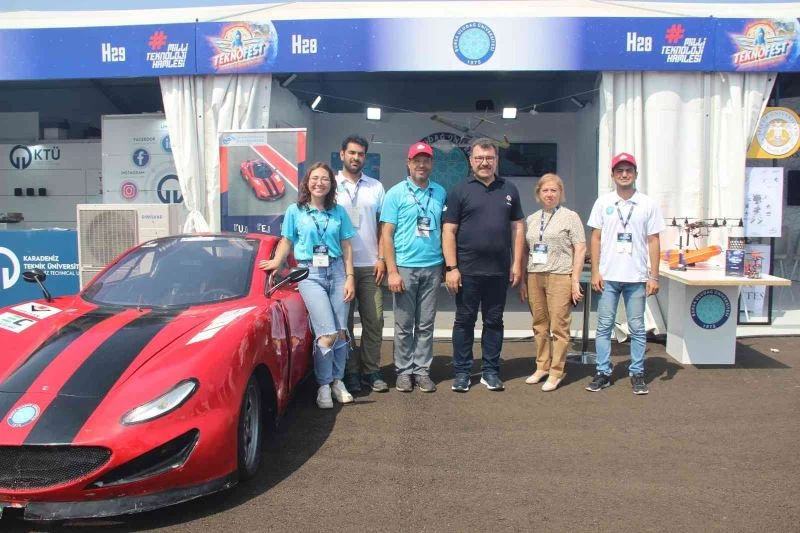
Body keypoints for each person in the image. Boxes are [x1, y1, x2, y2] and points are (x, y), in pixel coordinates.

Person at [260, 162, 357, 409]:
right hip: (309, 273)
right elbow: (287, 240)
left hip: (337, 271)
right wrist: (276, 261)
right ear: (307, 182)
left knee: (341, 331)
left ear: (331, 184)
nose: (319, 183)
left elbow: (346, 246)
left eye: (325, 179)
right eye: (315, 178)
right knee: (327, 333)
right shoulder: (296, 211)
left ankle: (338, 381)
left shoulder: (338, 212)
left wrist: (350, 277)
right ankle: (323, 385)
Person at [442, 138, 525, 393]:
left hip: (498, 271)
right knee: (464, 321)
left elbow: (518, 228)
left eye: (489, 158)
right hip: (467, 271)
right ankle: (462, 372)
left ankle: (490, 371)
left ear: (496, 160)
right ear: (471, 160)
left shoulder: (509, 189)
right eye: (479, 158)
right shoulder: (459, 190)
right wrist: (451, 268)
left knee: (494, 321)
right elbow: (448, 231)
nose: (484, 163)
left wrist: (517, 263)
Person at [586, 152, 664, 395]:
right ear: (612, 175)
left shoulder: (647, 204)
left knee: (637, 328)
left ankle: (637, 372)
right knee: (604, 326)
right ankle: (603, 372)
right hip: (608, 276)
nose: (624, 174)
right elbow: (596, 238)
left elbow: (654, 240)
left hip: (636, 277)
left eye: (628, 170)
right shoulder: (603, 202)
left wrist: (654, 276)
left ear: (636, 174)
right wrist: (595, 271)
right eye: (619, 170)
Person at [380, 142, 447, 393]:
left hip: (433, 266)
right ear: (408, 163)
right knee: (404, 325)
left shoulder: (440, 192)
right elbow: (387, 234)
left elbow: (445, 230)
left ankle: (421, 371)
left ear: (431, 164)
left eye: (426, 160)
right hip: (405, 268)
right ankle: (404, 371)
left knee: (426, 324)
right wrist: (392, 271)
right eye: (416, 160)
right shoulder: (395, 193)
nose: (421, 165)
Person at [519, 173, 586, 392]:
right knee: (539, 324)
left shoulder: (570, 217)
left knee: (559, 326)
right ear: (538, 193)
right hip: (535, 275)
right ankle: (542, 366)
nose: (549, 194)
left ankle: (556, 371)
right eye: (545, 190)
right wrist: (523, 281)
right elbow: (525, 250)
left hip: (560, 275)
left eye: (554, 190)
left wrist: (575, 280)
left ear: (560, 193)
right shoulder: (532, 219)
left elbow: (580, 248)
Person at [335, 135, 388, 394]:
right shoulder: (331, 184)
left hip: (370, 264)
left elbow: (384, 226)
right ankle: (350, 371)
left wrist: (382, 258)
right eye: (352, 153)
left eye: (360, 154)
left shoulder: (376, 186)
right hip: (339, 266)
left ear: (365, 157)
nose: (356, 158)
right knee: (344, 323)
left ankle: (371, 370)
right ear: (342, 154)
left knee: (374, 320)